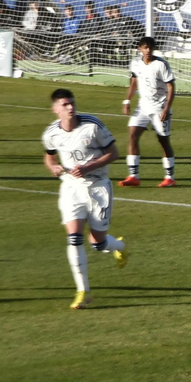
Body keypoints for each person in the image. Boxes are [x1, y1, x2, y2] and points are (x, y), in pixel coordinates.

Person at [42, 88, 128, 309]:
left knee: (97, 243)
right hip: (71, 188)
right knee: (74, 237)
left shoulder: (92, 125)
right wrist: (54, 167)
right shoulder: (51, 133)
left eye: (72, 103)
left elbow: (114, 153)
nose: (70, 107)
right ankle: (83, 291)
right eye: (65, 104)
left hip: (98, 187)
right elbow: (49, 157)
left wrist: (90, 166)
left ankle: (119, 245)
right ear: (55, 109)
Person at [119, 36, 177, 188]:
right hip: (143, 106)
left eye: (150, 47)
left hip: (159, 108)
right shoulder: (136, 63)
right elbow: (134, 82)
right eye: (145, 47)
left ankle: (169, 177)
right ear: (140, 49)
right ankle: (133, 176)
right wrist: (127, 100)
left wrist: (166, 108)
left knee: (163, 141)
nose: (148, 50)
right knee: (132, 134)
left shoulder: (161, 64)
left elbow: (171, 87)